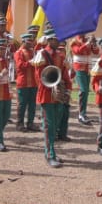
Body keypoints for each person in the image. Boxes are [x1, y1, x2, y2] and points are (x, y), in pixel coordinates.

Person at [32, 26, 71, 168]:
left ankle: (52, 151)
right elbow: (39, 77)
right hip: (47, 95)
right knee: (49, 125)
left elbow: (65, 75)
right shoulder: (42, 55)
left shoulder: (61, 55)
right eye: (55, 39)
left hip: (58, 94)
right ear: (49, 40)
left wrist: (67, 90)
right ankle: (50, 154)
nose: (58, 41)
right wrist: (51, 86)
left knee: (55, 124)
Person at [13, 27, 39, 132]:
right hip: (23, 82)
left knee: (32, 104)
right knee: (22, 104)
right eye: (29, 41)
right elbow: (20, 65)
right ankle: (19, 124)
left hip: (33, 82)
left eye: (32, 41)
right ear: (23, 41)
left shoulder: (33, 52)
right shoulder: (18, 52)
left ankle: (30, 123)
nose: (31, 43)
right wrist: (31, 63)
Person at [71, 34, 100, 125]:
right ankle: (81, 115)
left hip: (87, 69)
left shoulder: (87, 40)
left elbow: (96, 52)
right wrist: (88, 43)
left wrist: (94, 43)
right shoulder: (74, 41)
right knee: (83, 91)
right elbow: (78, 51)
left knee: (86, 91)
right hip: (79, 68)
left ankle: (83, 113)